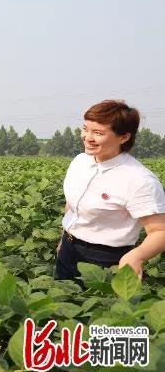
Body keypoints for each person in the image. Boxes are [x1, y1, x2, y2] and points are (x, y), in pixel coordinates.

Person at [55, 100, 165, 282]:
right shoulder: (80, 161)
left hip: (106, 259)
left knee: (99, 309)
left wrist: (137, 256)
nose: (87, 137)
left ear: (123, 137)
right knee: (61, 306)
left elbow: (160, 231)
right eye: (85, 129)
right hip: (68, 248)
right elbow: (72, 207)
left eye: (98, 133)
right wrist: (64, 238)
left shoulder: (139, 180)